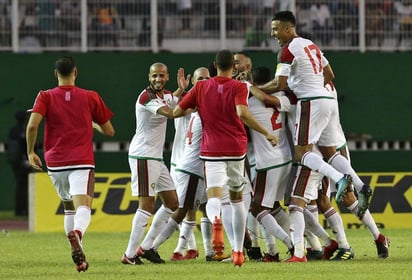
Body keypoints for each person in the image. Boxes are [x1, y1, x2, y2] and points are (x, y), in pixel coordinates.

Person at [173, 49, 278, 267]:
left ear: (214, 65)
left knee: (214, 197)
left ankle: (216, 221)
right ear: (234, 66)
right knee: (237, 200)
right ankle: (238, 251)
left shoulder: (200, 87)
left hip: (211, 151)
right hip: (235, 150)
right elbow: (242, 113)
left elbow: (176, 112)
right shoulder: (239, 87)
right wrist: (266, 133)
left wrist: (190, 101)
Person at [26, 56, 115, 272]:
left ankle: (80, 258)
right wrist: (94, 126)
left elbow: (32, 126)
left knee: (68, 207)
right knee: (83, 206)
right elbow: (110, 131)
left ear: (55, 74)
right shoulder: (90, 96)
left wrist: (30, 152)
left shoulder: (45, 96)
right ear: (76, 73)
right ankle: (78, 235)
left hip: (55, 162)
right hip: (81, 160)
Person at [121, 63, 186, 265]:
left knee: (173, 203)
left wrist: (182, 90)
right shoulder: (146, 97)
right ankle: (129, 255)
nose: (158, 79)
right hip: (143, 156)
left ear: (167, 77)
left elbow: (173, 100)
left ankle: (146, 247)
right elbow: (172, 113)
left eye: (162, 76)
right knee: (146, 206)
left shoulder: (165, 94)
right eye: (155, 76)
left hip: (156, 157)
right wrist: (194, 101)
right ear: (149, 77)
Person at [151, 67, 210, 261]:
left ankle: (187, 248)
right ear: (193, 81)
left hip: (195, 161)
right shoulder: (187, 100)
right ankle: (186, 247)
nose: (203, 81)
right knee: (182, 206)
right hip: (181, 160)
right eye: (199, 78)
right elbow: (169, 106)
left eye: (207, 78)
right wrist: (179, 90)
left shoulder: (204, 102)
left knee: (194, 207)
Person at [7, 111, 34, 216]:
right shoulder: (23, 131)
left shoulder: (12, 131)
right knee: (24, 186)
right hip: (22, 162)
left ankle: (20, 210)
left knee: (20, 186)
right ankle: (23, 210)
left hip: (16, 162)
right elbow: (21, 148)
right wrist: (25, 161)